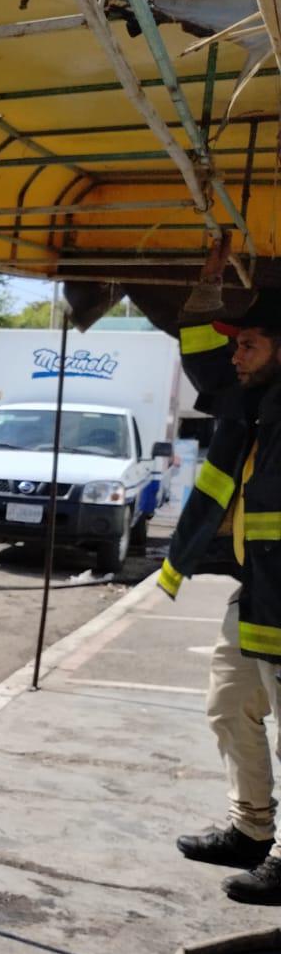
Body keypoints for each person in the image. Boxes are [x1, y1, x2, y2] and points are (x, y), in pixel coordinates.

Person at [168, 298, 281, 905]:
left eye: (250, 344)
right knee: (229, 700)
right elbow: (211, 375)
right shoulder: (256, 404)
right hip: (260, 589)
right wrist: (202, 302)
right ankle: (250, 830)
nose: (236, 355)